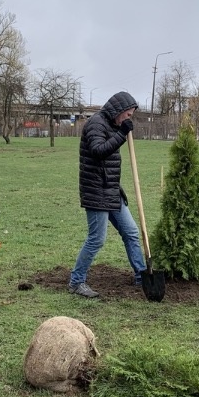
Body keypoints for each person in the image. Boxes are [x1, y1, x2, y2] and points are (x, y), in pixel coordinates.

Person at [68, 91, 147, 297]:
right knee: (97, 239)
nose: (128, 119)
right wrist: (122, 134)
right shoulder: (96, 124)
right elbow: (98, 151)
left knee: (131, 232)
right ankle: (76, 282)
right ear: (119, 110)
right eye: (128, 115)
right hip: (96, 191)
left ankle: (142, 276)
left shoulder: (112, 125)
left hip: (111, 190)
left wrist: (120, 131)